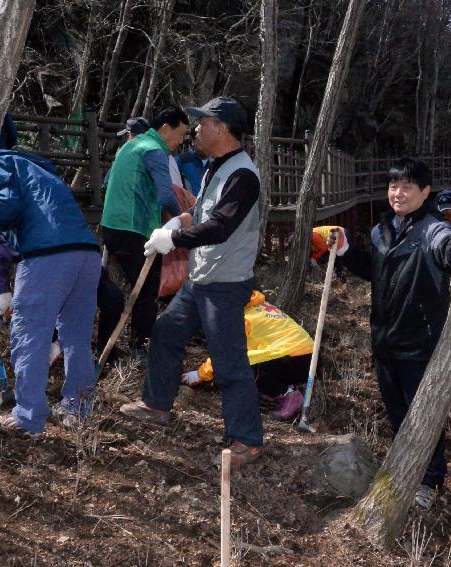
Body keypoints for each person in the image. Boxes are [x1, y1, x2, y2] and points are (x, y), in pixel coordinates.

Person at [118, 96, 264, 467]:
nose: (195, 129)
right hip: (201, 277)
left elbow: (220, 226)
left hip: (225, 284)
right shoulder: (217, 166)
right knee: (166, 333)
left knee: (229, 359)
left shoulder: (243, 176)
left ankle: (246, 440)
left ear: (223, 128)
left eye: (203, 122)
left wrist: (175, 240)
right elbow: (201, 213)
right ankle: (156, 405)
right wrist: (175, 224)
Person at [333, 157, 451, 510]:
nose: (398, 193)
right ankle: (405, 470)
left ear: (425, 191)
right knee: (397, 413)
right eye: (393, 186)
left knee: (422, 416)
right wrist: (345, 250)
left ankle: (430, 480)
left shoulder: (433, 228)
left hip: (418, 342)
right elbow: (375, 271)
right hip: (385, 338)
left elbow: (446, 247)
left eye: (407, 186)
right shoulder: (383, 229)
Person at [0, 122, 101, 436]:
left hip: (48, 256)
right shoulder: (38, 167)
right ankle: (78, 409)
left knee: (30, 333)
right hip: (87, 253)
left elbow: (3, 206)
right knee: (76, 337)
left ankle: (27, 418)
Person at [100, 106, 188, 354]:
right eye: (180, 134)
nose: (180, 141)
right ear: (165, 128)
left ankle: (111, 347)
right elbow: (166, 194)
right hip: (130, 227)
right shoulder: (153, 150)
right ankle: (140, 348)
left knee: (117, 291)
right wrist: (183, 219)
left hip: (112, 225)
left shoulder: (132, 144)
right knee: (148, 288)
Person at [180, 290, 313, 421]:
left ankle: (287, 394)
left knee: (242, 364)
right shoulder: (258, 305)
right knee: (253, 359)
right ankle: (284, 388)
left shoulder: (241, 318)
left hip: (292, 359)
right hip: (309, 359)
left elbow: (227, 352)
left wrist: (200, 374)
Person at [0, 239, 124, 362]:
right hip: (46, 288)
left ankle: (105, 354)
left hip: (87, 278)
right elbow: (0, 253)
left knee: (113, 299)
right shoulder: (37, 239)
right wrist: (3, 292)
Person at [177, 126, 210, 196]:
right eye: (202, 140)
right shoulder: (181, 161)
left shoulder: (216, 163)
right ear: (192, 141)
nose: (206, 144)